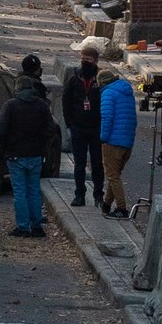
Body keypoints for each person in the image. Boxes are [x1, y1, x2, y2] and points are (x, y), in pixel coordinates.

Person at [0, 56, 59, 237]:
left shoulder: (11, 106)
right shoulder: (41, 106)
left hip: (15, 154)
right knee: (33, 190)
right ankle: (37, 225)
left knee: (20, 191)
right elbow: (50, 130)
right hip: (36, 154)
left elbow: (1, 130)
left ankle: (23, 226)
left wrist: (5, 146)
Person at [62, 41, 104, 208]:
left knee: (97, 163)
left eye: (88, 59)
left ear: (95, 61)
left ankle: (98, 195)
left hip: (96, 127)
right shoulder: (74, 80)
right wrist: (69, 124)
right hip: (78, 127)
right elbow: (66, 102)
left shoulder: (100, 79)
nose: (84, 62)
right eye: (83, 59)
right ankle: (79, 194)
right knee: (79, 164)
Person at [98, 67, 138, 218]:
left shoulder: (108, 93)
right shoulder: (127, 92)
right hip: (127, 140)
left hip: (113, 140)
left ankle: (122, 208)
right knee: (115, 174)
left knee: (113, 175)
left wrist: (103, 137)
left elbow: (107, 117)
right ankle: (107, 204)